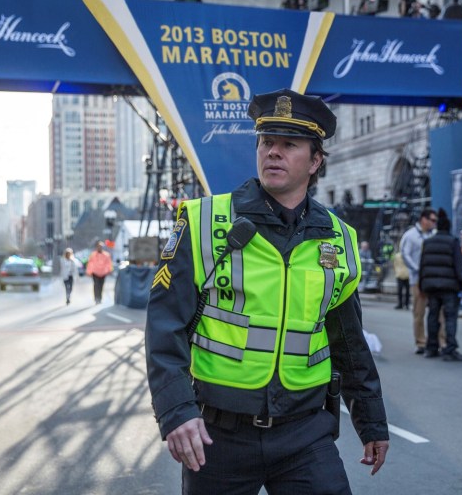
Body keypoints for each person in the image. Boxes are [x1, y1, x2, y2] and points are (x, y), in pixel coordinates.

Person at [145, 88, 389, 494]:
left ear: (315, 162)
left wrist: (371, 421)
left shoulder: (339, 239)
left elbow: (347, 342)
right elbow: (164, 325)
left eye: (289, 145)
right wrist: (175, 412)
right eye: (266, 142)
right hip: (217, 437)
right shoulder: (205, 221)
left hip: (305, 434)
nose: (272, 152)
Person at [419, 209, 462, 361]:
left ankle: (431, 348)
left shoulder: (427, 242)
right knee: (450, 317)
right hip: (449, 288)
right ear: (448, 228)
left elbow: (423, 265)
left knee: (433, 316)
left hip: (432, 287)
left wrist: (423, 286)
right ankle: (450, 349)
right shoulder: (453, 242)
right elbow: (459, 266)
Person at [400, 208, 445, 354]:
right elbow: (405, 255)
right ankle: (421, 342)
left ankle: (440, 341)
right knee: (419, 312)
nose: (434, 223)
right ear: (423, 219)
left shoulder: (435, 234)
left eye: (436, 221)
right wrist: (418, 270)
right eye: (432, 220)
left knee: (439, 311)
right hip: (418, 279)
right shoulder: (410, 235)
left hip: (433, 279)